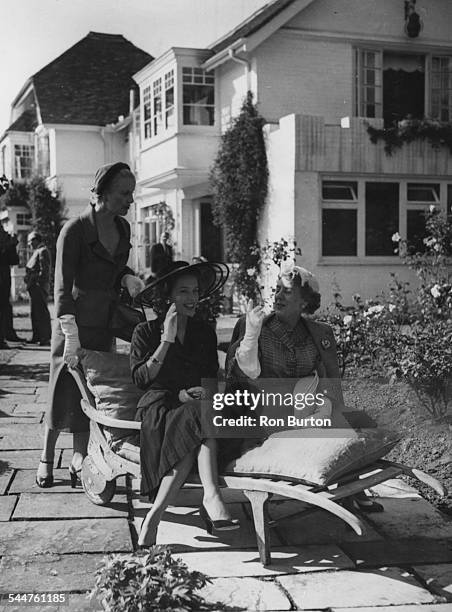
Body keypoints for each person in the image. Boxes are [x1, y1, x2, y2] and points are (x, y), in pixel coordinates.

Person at [224, 265, 383, 512]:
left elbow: (331, 380)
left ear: (304, 301)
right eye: (276, 290)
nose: (277, 296)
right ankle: (351, 487)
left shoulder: (320, 333)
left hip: (305, 408)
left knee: (356, 421)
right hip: (266, 412)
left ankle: (350, 484)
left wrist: (337, 412)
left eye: (286, 292)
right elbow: (235, 377)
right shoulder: (255, 327)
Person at [35, 162, 144, 489]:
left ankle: (79, 457)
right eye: (125, 193)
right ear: (103, 192)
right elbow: (61, 287)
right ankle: (45, 457)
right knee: (63, 389)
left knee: (92, 391)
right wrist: (70, 334)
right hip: (73, 324)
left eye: (132, 193)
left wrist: (126, 276)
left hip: (103, 323)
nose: (131, 200)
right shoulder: (74, 230)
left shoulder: (123, 229)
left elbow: (116, 267)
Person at [131, 260, 238, 548]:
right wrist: (166, 340)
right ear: (168, 296)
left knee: (199, 419)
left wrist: (203, 392)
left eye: (195, 291)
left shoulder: (204, 331)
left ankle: (154, 517)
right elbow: (141, 379)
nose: (192, 298)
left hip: (195, 408)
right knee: (198, 424)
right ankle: (212, 494)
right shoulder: (145, 332)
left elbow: (210, 377)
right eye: (183, 292)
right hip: (160, 407)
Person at [25, 231, 52, 346]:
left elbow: (44, 271)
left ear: (36, 240)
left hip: (39, 288)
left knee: (41, 312)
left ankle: (44, 338)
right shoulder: (37, 251)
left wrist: (34, 279)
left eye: (30, 241)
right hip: (34, 288)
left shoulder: (43, 251)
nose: (29, 243)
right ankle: (37, 336)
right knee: (35, 313)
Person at [0, 225, 20, 349]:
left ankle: (8, 334)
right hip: (2, 278)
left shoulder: (6, 243)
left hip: (4, 278)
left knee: (5, 307)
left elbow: (14, 261)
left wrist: (12, 246)